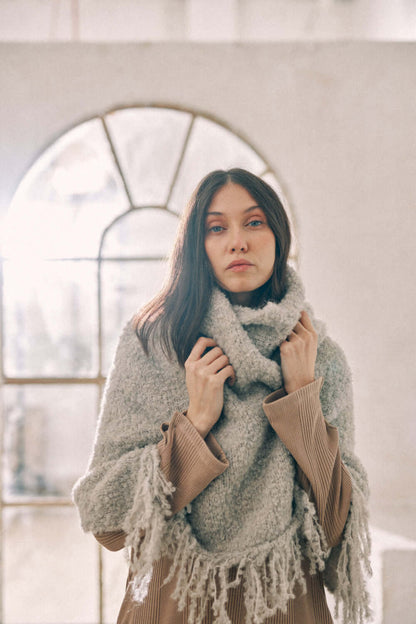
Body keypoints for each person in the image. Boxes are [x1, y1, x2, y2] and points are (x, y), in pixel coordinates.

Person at [73, 168, 372, 624]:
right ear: (198, 245)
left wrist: (302, 402)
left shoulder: (319, 357)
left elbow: (337, 531)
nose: (237, 241)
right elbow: (108, 519)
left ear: (279, 235)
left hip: (287, 607)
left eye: (254, 223)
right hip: (173, 606)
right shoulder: (154, 344)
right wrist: (193, 426)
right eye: (217, 228)